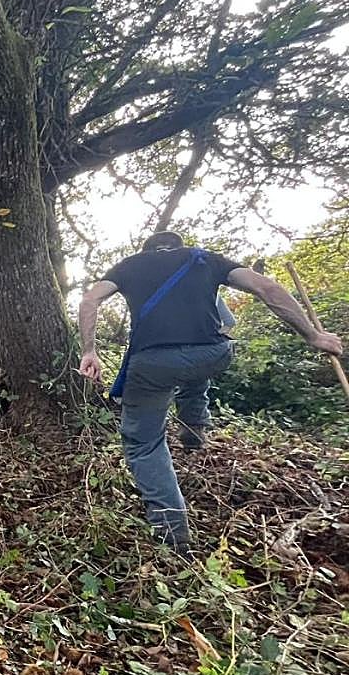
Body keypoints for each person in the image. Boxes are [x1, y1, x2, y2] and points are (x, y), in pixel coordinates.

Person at [78, 231, 343, 556]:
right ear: (178, 245)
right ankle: (195, 433)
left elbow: (90, 300)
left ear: (148, 249)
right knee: (194, 368)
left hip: (153, 364)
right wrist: (313, 336)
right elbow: (267, 288)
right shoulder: (202, 258)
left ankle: (173, 538)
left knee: (144, 444)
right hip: (212, 355)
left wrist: (89, 351)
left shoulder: (130, 265)